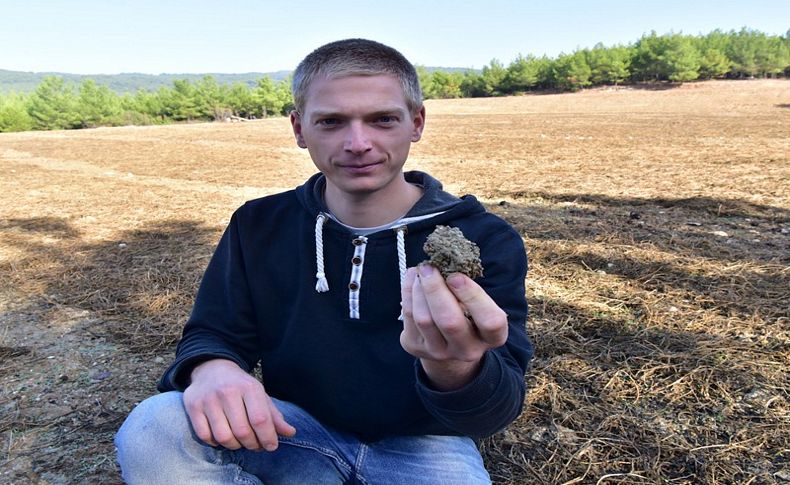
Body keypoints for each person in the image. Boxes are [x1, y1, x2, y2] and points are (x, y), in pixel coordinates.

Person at [115, 38, 533, 484]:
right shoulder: (258, 224)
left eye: (382, 119)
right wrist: (213, 368)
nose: (358, 143)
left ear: (416, 122)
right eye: (331, 122)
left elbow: (493, 411)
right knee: (155, 426)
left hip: (427, 447)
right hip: (289, 431)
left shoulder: (485, 237)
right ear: (299, 128)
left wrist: (456, 367)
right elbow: (214, 330)